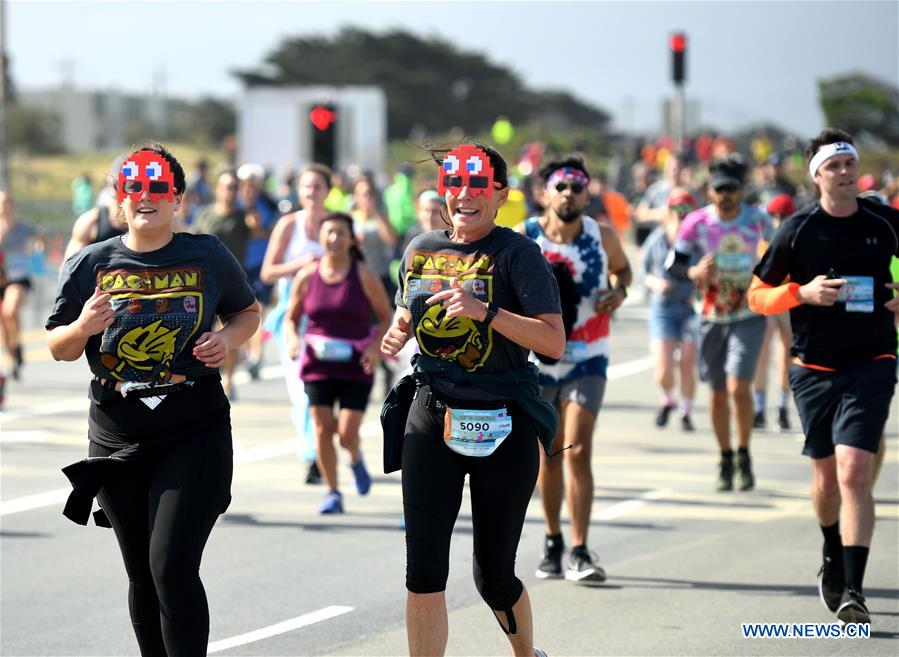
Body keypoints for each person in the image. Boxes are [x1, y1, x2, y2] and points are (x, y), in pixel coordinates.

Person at [46, 144, 261, 656]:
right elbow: (58, 347)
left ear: (178, 198)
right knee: (142, 574)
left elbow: (247, 312)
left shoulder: (206, 254)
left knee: (171, 566)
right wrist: (83, 326)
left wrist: (226, 340)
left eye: (158, 188)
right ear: (119, 199)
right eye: (133, 189)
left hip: (193, 427)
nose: (145, 198)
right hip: (118, 433)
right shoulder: (90, 263)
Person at [381, 143, 564, 657]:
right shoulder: (421, 248)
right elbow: (408, 310)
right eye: (455, 184)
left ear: (500, 194)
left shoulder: (518, 254)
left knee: (494, 575)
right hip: (433, 415)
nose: (464, 195)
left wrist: (486, 312)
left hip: (503, 423)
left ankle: (526, 654)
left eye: (478, 185)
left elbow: (552, 342)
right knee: (423, 571)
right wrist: (398, 331)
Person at [748, 128, 899, 626]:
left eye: (850, 163)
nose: (845, 172)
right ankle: (832, 550)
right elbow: (757, 295)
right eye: (834, 165)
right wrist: (802, 293)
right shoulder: (797, 230)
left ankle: (854, 588)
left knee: (855, 470)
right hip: (813, 367)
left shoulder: (885, 221)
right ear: (818, 176)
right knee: (826, 478)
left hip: (874, 360)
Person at [519, 156, 632, 583]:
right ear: (544, 193)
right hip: (537, 361)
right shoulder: (525, 238)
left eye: (577, 187)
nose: (569, 194)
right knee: (549, 455)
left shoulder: (601, 235)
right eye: (561, 186)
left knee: (578, 448)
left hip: (589, 355)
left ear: (588, 193)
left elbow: (624, 272)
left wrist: (618, 294)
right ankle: (552, 540)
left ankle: (581, 550)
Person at [675, 155, 773, 491]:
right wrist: (694, 273)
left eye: (731, 189)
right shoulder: (696, 223)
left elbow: (780, 259)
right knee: (717, 394)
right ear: (709, 191)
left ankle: (744, 454)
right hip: (709, 316)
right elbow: (675, 266)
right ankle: (725, 457)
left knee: (738, 388)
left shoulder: (759, 221)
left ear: (741, 190)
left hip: (748, 314)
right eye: (718, 189)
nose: (724, 195)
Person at [285, 212, 392, 513]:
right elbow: (291, 319)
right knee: (321, 428)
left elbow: (385, 318)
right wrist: (293, 339)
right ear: (320, 237)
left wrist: (374, 348)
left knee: (346, 432)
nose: (334, 238)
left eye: (340, 233)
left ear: (351, 239)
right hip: (317, 364)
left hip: (357, 363)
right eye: (329, 232)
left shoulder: (364, 275)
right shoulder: (307, 275)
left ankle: (355, 457)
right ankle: (333, 492)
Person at [261, 164, 330, 485]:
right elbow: (267, 272)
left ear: (328, 191)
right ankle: (312, 456)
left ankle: (320, 448)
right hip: (293, 319)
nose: (311, 193)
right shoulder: (290, 225)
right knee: (303, 392)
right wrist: (300, 266)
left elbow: (356, 268)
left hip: (331, 321)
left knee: (326, 392)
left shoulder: (337, 226)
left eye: (317, 187)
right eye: (306, 188)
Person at [640, 188, 698, 431]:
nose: (681, 214)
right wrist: (655, 283)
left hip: (689, 308)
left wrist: (700, 290)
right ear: (669, 211)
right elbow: (643, 272)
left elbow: (708, 269)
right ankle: (668, 398)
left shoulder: (697, 242)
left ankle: (685, 409)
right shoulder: (657, 239)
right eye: (677, 209)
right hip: (663, 308)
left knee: (687, 360)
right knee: (663, 367)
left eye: (687, 209)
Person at [195, 168, 251, 399]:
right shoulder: (206, 215)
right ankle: (210, 375)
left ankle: (229, 379)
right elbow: (194, 238)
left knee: (228, 329)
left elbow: (258, 231)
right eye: (227, 187)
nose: (231, 192)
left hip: (233, 281)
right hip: (206, 281)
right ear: (218, 189)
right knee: (206, 330)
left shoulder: (243, 217)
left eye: (234, 188)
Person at [752, 193, 796, 431]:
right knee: (762, 354)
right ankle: (759, 408)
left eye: (783, 216)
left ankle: (782, 407)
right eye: (774, 216)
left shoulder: (796, 235)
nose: (778, 221)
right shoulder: (761, 238)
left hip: (787, 300)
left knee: (786, 355)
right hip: (768, 301)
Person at [0, 190, 36, 380]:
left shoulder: (23, 227)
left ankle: (17, 344)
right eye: (1, 203)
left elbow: (39, 237)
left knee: (10, 310)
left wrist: (37, 250)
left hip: (19, 277)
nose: (5, 207)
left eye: (7, 202)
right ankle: (13, 355)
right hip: (1, 279)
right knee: (4, 326)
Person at [64, 158, 129, 261]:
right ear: (110, 183)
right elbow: (69, 271)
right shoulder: (90, 223)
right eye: (120, 183)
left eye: (130, 184)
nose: (123, 190)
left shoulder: (147, 221)